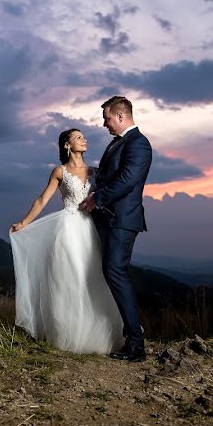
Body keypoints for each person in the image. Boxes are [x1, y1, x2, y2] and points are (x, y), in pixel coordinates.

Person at [9, 129, 124, 354]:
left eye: (84, 137)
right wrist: (23, 223)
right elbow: (42, 199)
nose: (84, 140)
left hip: (91, 229)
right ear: (66, 145)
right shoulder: (59, 172)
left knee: (92, 277)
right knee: (69, 278)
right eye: (78, 137)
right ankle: (66, 334)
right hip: (68, 229)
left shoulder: (95, 171)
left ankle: (98, 334)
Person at [80, 95, 152, 362]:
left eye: (106, 118)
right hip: (108, 219)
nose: (103, 124)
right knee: (111, 273)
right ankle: (127, 337)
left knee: (115, 272)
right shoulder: (118, 143)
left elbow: (128, 179)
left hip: (122, 220)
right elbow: (111, 174)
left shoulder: (139, 144)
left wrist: (97, 198)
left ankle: (136, 344)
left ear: (121, 116)